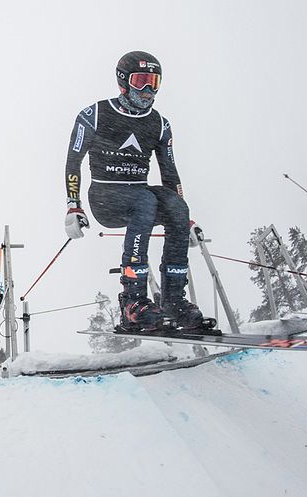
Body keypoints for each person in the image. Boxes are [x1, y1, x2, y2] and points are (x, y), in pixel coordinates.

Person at [63, 50, 209, 331]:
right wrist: (74, 205)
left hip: (140, 197)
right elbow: (73, 160)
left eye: (153, 82)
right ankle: (132, 301)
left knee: (176, 207)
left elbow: (169, 173)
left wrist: (185, 219)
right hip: (105, 198)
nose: (147, 90)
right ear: (123, 81)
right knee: (145, 200)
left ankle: (174, 300)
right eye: (141, 80)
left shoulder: (159, 124)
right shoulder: (95, 115)